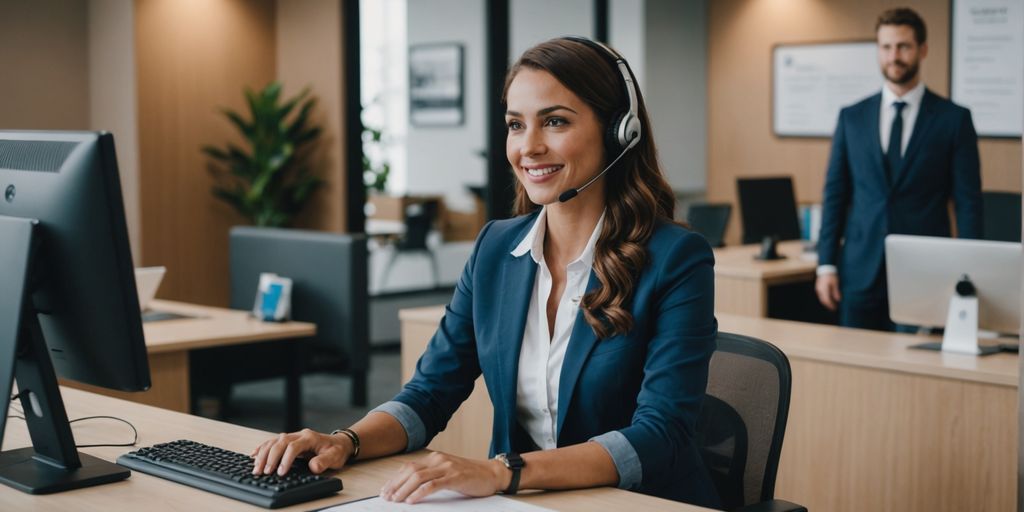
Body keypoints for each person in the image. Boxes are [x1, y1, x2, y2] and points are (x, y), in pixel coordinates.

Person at [249, 36, 721, 508]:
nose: (529, 147)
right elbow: (430, 393)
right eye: (516, 125)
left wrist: (501, 472)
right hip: (528, 501)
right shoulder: (496, 248)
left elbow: (660, 435)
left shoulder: (676, 258)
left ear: (620, 132)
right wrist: (346, 441)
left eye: (555, 121)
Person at [815, 7, 982, 331]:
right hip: (860, 271)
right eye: (886, 47)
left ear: (922, 50)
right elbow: (835, 194)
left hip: (926, 273)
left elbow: (968, 203)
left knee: (913, 373)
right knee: (857, 368)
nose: (895, 56)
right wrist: (826, 266)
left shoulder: (953, 119)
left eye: (903, 46)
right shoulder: (852, 117)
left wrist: (971, 273)